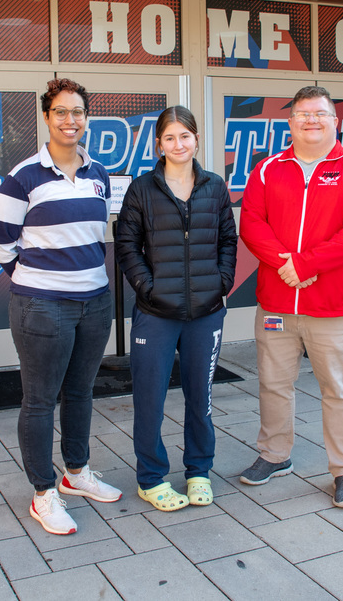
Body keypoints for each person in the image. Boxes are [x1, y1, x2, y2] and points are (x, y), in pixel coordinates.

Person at [238, 86, 343, 509]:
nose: (311, 120)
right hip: (277, 303)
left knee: (339, 390)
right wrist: (288, 264)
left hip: (333, 305)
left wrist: (307, 265)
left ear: (334, 121)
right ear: (290, 122)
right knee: (273, 384)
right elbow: (252, 223)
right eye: (302, 114)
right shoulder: (268, 169)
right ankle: (274, 454)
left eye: (319, 113)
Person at [0, 77, 122, 535]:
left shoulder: (98, 173)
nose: (70, 120)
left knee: (81, 392)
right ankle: (43, 493)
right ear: (46, 117)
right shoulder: (22, 177)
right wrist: (37, 282)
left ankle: (77, 473)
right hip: (41, 306)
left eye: (78, 112)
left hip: (95, 301)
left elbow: (94, 235)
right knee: (40, 400)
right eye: (61, 111)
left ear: (87, 118)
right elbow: (1, 245)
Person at [115, 105, 237, 511]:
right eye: (170, 137)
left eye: (185, 136)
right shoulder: (142, 190)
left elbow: (227, 241)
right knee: (149, 399)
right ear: (158, 144)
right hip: (156, 312)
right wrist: (147, 289)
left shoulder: (214, 187)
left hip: (206, 313)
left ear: (196, 139)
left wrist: (221, 283)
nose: (178, 144)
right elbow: (127, 247)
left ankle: (199, 471)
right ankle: (150, 478)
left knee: (199, 397)